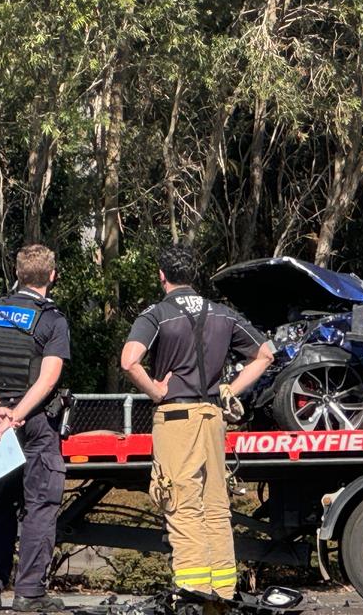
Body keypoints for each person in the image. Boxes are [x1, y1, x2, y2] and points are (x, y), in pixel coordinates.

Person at [120, 246, 274, 604]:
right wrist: (229, 391)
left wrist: (157, 390)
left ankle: (193, 594)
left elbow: (129, 360)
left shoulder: (157, 315)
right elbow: (266, 352)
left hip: (176, 418)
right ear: (194, 275)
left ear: (162, 275)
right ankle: (222, 593)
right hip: (213, 417)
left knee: (181, 504)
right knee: (217, 508)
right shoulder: (223, 314)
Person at [0, 244, 71, 612]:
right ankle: (29, 593)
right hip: (37, 425)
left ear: (19, 273)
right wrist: (20, 413)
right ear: (52, 276)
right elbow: (48, 378)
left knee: (1, 508)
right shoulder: (52, 320)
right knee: (41, 506)